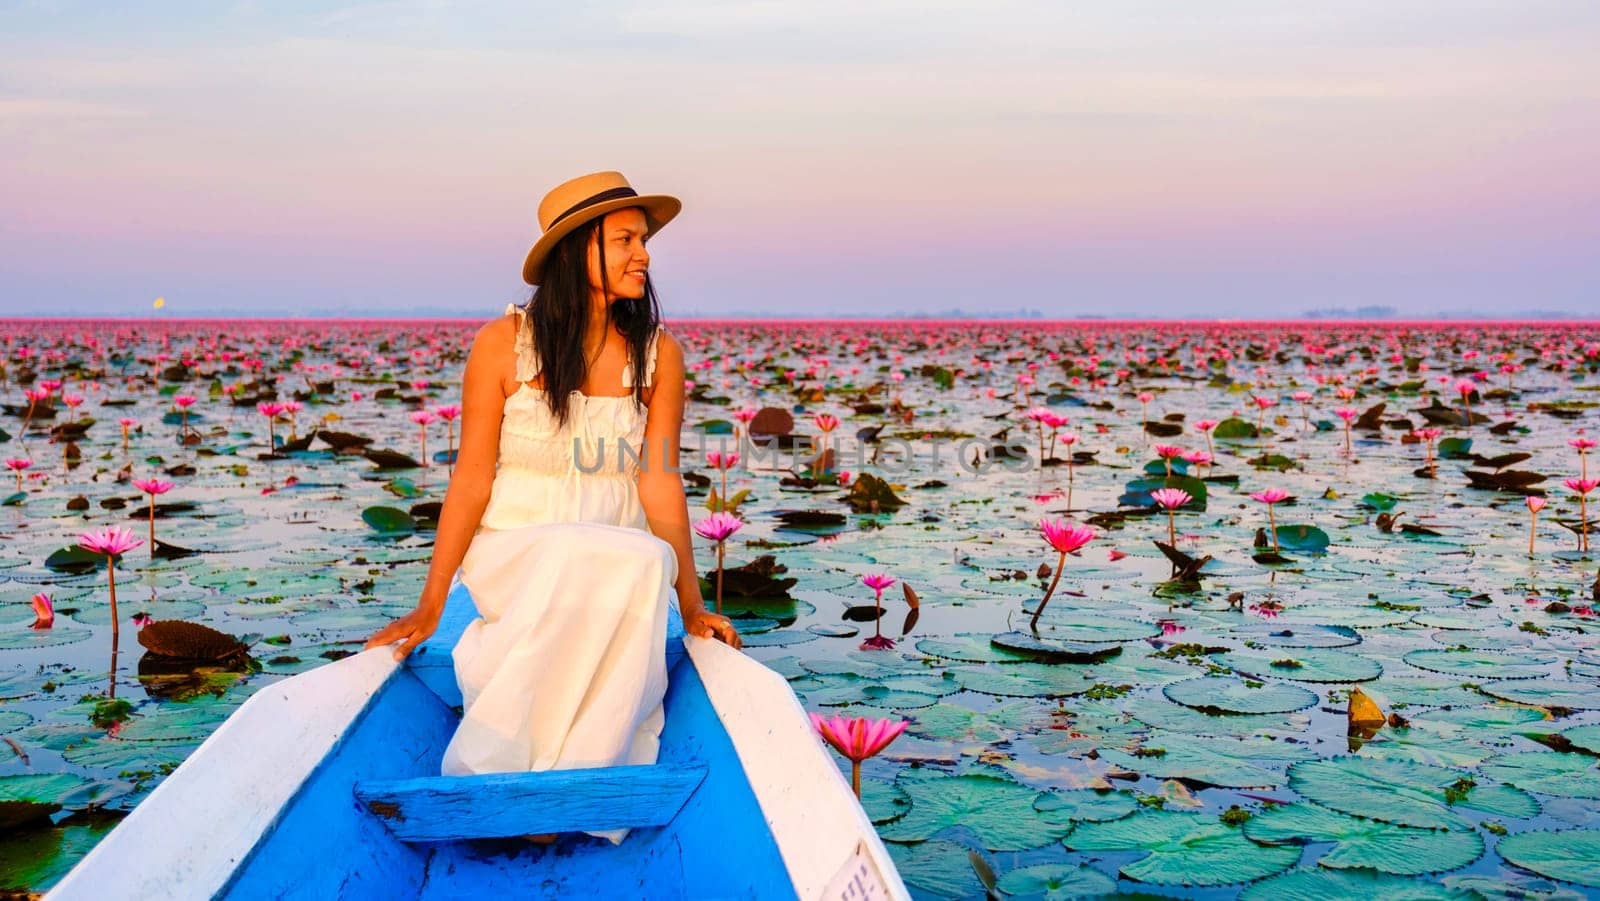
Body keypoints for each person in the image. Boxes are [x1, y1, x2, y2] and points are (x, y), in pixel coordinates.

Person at [363, 170, 742, 846]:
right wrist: (429, 603)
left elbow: (659, 481)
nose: (644, 254)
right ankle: (507, 774)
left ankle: (566, 782)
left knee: (632, 557)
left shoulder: (659, 356)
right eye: (626, 238)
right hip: (519, 550)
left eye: (644, 239)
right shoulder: (501, 345)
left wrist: (690, 606)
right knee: (585, 554)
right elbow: (473, 477)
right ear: (578, 249)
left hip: (616, 562)